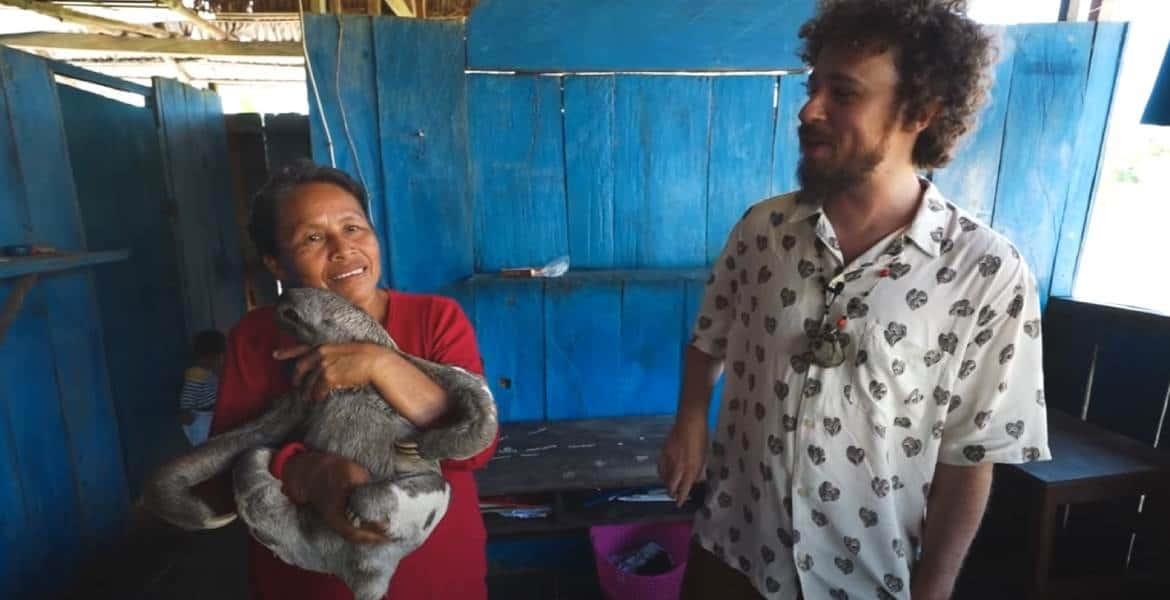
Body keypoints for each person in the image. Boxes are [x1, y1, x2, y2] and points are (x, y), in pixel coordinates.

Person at [658, 1, 1050, 599]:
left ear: (920, 111)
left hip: (863, 577)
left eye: (842, 93)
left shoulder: (986, 272)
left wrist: (934, 591)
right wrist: (689, 418)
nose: (809, 110)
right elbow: (711, 333)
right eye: (814, 87)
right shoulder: (763, 231)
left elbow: (971, 454)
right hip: (731, 553)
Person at [207, 160, 498, 599]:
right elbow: (225, 473)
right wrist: (306, 471)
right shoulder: (255, 338)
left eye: (353, 228)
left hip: (435, 576)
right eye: (312, 238)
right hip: (309, 580)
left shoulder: (436, 319)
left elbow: (472, 452)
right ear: (276, 264)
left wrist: (381, 365)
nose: (342, 249)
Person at [179, 329, 226, 446]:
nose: (221, 360)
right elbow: (187, 398)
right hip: (200, 418)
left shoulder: (208, 372)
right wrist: (187, 413)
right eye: (219, 356)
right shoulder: (197, 373)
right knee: (205, 447)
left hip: (207, 416)